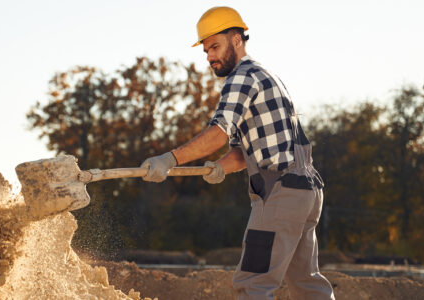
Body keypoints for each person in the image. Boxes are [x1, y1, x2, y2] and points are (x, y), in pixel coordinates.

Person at [140, 6, 335, 300]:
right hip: (304, 193)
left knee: (253, 285)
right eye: (206, 51)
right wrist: (220, 167)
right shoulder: (266, 75)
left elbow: (219, 131)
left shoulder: (242, 78)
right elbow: (245, 152)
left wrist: (170, 159)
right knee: (307, 284)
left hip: (280, 194)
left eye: (215, 47)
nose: (210, 57)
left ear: (236, 39)